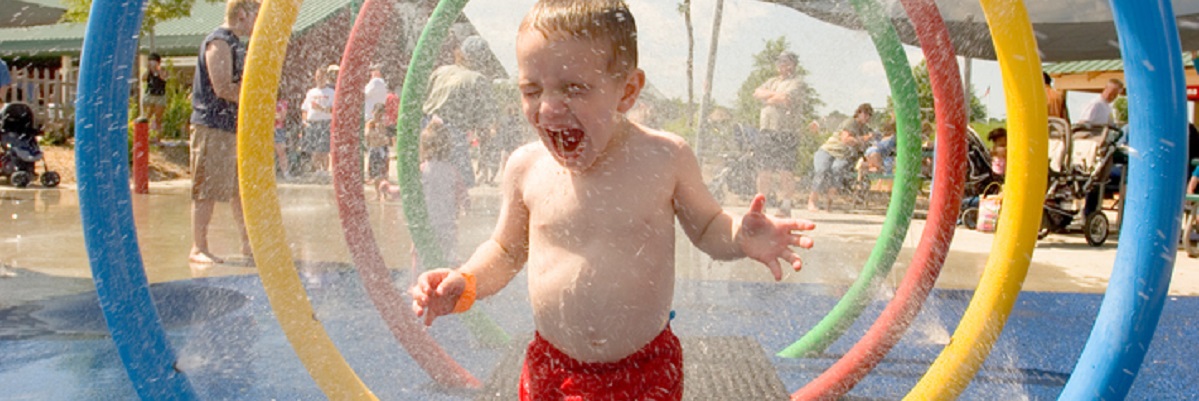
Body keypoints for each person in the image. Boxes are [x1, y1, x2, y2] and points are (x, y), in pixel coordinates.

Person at [408, 2, 816, 400]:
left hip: (645, 371)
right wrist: (469, 280)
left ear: (627, 91)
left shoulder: (664, 158)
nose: (549, 108)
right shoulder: (525, 168)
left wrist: (740, 236)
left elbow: (708, 226)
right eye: (532, 90)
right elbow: (505, 250)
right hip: (552, 370)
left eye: (574, 88)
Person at [187, 0, 260, 265]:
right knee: (207, 187)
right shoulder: (219, 42)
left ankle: (248, 244)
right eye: (256, 14)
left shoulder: (236, 42)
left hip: (230, 128)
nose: (259, 21)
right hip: (212, 126)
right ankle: (199, 248)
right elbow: (222, 88)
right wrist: (256, 99)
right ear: (242, 14)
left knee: (239, 191)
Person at [423, 35, 498, 189]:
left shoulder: (441, 71)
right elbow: (484, 125)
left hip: (425, 129)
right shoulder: (478, 80)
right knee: (463, 182)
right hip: (451, 133)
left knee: (426, 179)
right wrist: (484, 156)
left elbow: (422, 101)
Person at [752, 51, 808, 217]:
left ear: (794, 65)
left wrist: (769, 98)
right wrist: (771, 96)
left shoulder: (797, 83)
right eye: (781, 62)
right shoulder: (772, 81)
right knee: (764, 169)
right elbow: (756, 93)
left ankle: (785, 205)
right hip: (767, 130)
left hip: (786, 132)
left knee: (786, 170)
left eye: (787, 62)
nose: (783, 65)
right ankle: (761, 203)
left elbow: (785, 98)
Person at [807, 103, 874, 211]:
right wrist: (864, 139)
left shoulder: (866, 129)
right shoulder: (851, 122)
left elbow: (864, 147)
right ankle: (812, 201)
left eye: (870, 115)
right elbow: (846, 139)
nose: (867, 117)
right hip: (828, 151)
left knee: (838, 172)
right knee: (822, 171)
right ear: (858, 113)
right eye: (865, 113)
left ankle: (829, 204)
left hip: (843, 156)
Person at [301, 64, 337, 176]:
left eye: (321, 76)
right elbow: (305, 109)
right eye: (317, 76)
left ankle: (325, 171)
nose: (319, 79)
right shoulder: (311, 92)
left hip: (325, 122)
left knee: (324, 150)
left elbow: (334, 109)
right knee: (314, 150)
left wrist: (321, 108)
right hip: (312, 123)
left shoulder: (331, 92)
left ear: (325, 77)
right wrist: (305, 121)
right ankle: (317, 171)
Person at [364, 104, 392, 191]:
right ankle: (378, 194)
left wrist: (381, 130)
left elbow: (387, 139)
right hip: (374, 149)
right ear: (373, 113)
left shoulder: (384, 124)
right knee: (375, 174)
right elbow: (366, 135)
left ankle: (385, 193)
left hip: (382, 149)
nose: (378, 117)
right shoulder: (370, 123)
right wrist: (373, 129)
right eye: (377, 114)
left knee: (383, 173)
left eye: (381, 115)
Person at [142, 53, 169, 134]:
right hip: (150, 95)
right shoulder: (148, 72)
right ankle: (145, 135)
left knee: (158, 119)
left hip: (160, 96)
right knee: (146, 117)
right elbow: (143, 79)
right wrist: (149, 69)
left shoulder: (163, 70)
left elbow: (164, 77)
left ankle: (157, 137)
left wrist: (158, 69)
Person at [274, 99, 290, 178]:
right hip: (265, 129)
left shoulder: (282, 103)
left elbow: (281, 117)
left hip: (278, 129)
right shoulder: (265, 100)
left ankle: (285, 172)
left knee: (281, 152)